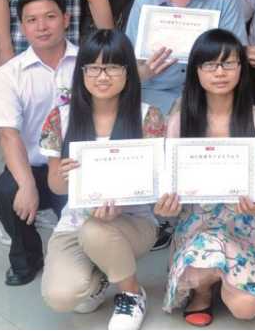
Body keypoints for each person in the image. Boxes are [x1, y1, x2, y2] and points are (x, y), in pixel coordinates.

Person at [38, 29, 166, 330]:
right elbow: (55, 186)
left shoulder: (148, 116)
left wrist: (125, 202)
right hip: (75, 221)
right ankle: (101, 276)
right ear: (82, 72)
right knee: (61, 297)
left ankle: (131, 294)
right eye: (93, 68)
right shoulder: (60, 117)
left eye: (112, 67)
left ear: (128, 72)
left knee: (96, 231)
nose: (102, 77)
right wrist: (65, 176)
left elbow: (156, 185)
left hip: (133, 221)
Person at [155, 29, 255, 323]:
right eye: (210, 64)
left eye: (228, 63)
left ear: (241, 68)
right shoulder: (179, 122)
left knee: (245, 308)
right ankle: (202, 290)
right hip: (198, 224)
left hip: (248, 222)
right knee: (202, 256)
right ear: (196, 71)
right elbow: (170, 185)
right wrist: (166, 206)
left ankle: (223, 279)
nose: (220, 72)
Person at [0, 0, 80, 286]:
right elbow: (9, 136)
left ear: (66, 19)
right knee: (6, 192)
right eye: (32, 20)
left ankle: (79, 254)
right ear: (22, 26)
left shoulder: (88, 64)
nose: (42, 26)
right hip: (33, 166)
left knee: (81, 247)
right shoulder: (8, 75)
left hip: (76, 167)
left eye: (50, 17)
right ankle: (27, 256)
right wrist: (26, 185)